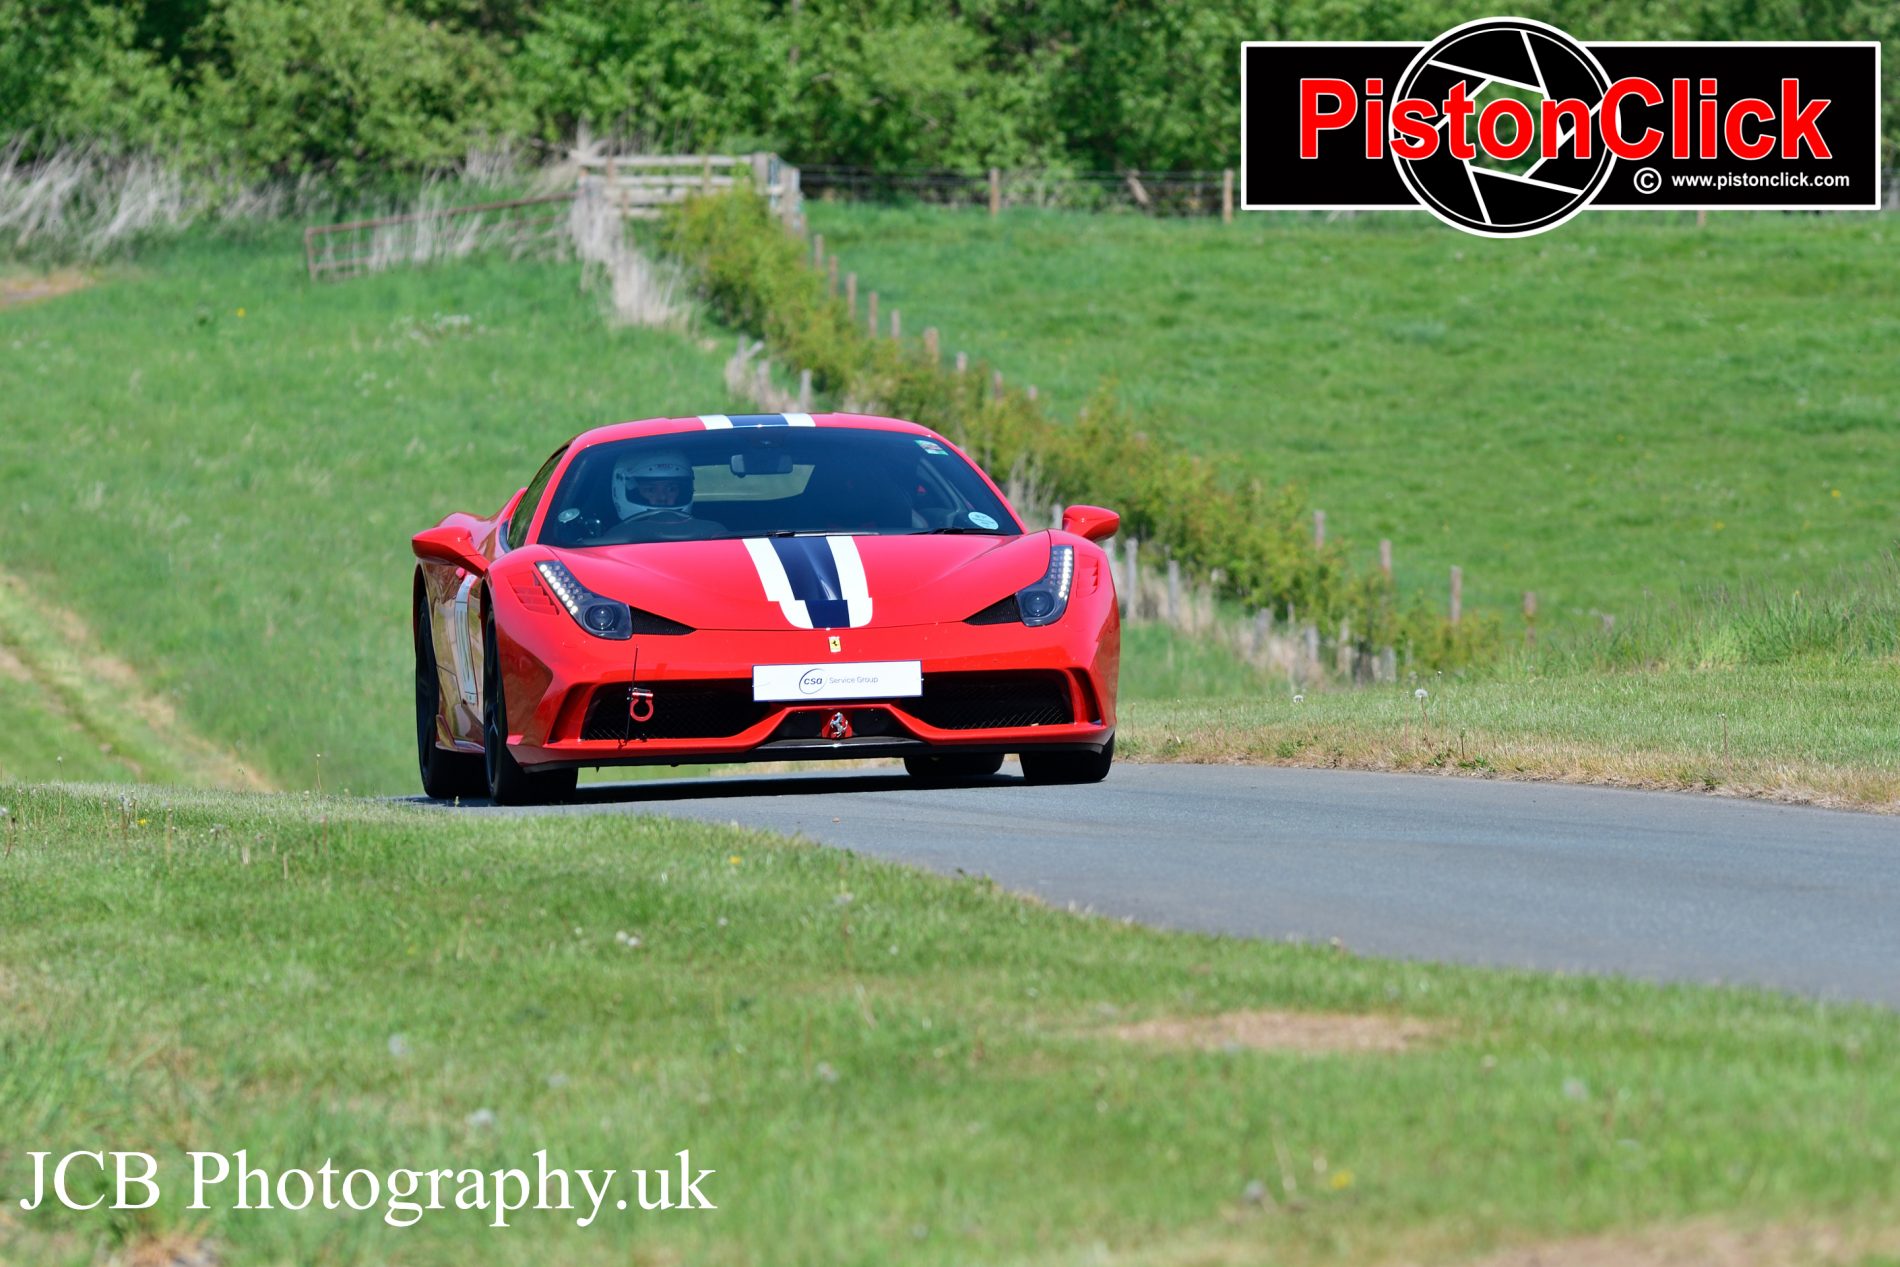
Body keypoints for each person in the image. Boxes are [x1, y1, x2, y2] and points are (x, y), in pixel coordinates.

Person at [611, 449, 695, 521]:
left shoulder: (699, 532)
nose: (662, 498)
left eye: (671, 489)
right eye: (650, 490)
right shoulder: (615, 535)